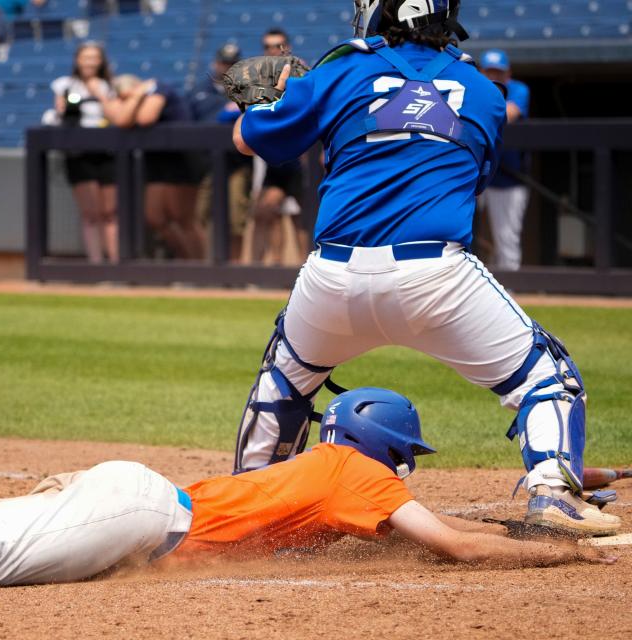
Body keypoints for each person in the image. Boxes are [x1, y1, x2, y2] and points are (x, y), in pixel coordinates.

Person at [229, 0, 620, 535]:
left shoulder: (339, 67)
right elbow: (471, 180)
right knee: (549, 381)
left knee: (284, 383)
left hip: (333, 275)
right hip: (435, 274)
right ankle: (553, 490)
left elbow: (249, 140)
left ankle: (252, 504)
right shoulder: (485, 91)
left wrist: (275, 101)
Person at [0, 378, 615, 588]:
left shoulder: (338, 470)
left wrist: (572, 508)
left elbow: (450, 520)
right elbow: (451, 541)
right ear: (394, 452)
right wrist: (563, 558)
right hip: (137, 513)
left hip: (130, 495)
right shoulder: (362, 478)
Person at [106, 74, 207, 260]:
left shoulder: (160, 88)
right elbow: (121, 119)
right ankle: (187, 262)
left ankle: (200, 267)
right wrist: (133, 99)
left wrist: (136, 97)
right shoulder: (138, 97)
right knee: (155, 217)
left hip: (181, 158)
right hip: (157, 161)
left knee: (183, 218)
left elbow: (145, 118)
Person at [47, 42, 119, 264]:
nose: (89, 62)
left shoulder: (109, 86)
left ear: (101, 61)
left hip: (107, 151)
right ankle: (96, 264)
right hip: (78, 152)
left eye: (94, 57)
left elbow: (116, 115)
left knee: (110, 212)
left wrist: (101, 94)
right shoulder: (65, 85)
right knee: (90, 213)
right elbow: (59, 116)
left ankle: (116, 264)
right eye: (85, 57)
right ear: (77, 60)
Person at [246, 28, 307, 266]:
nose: (273, 51)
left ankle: (306, 268)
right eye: (268, 46)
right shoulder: (258, 77)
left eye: (278, 45)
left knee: (301, 217)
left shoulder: (301, 72)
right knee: (267, 211)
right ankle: (269, 268)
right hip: (274, 157)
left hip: (301, 156)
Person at [189, 44, 252, 260]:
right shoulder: (200, 90)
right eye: (225, 63)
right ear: (216, 64)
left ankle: (235, 269)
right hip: (206, 165)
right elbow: (191, 122)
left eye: (233, 64)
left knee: (236, 218)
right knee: (201, 216)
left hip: (237, 164)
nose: (228, 68)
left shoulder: (249, 89)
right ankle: (206, 266)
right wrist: (222, 114)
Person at [478, 49, 531, 272]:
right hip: (476, 175)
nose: (493, 77)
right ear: (481, 71)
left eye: (498, 72)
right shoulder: (474, 87)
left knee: (507, 237)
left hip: (508, 177)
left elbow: (509, 114)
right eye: (489, 72)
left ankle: (509, 289)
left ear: (507, 73)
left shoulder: (518, 89)